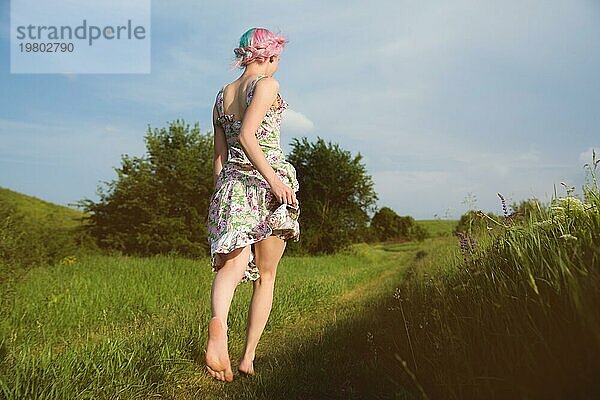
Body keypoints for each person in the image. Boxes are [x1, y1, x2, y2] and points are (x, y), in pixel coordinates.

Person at [204, 27, 300, 382]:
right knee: (266, 275)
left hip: (231, 186)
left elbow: (219, 155)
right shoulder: (265, 85)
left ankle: (219, 329)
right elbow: (247, 135)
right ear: (268, 56)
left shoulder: (220, 96)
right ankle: (247, 357)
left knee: (230, 268)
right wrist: (275, 180)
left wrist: (221, 195)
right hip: (267, 183)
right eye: (276, 59)